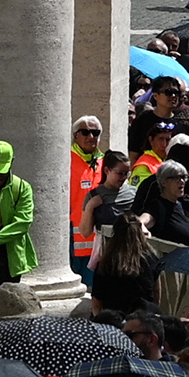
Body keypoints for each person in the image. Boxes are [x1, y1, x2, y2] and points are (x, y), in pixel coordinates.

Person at [0, 141, 39, 288]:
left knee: (6, 302)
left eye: (2, 169)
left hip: (8, 255)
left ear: (12, 162)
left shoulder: (22, 188)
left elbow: (23, 222)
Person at [92, 214, 160, 315]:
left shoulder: (105, 263)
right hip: (142, 320)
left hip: (113, 322)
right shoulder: (151, 259)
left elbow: (96, 304)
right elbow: (157, 293)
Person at [80, 150, 138, 260]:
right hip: (107, 255)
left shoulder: (134, 193)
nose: (124, 177)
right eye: (120, 173)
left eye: (127, 173)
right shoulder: (94, 196)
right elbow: (85, 232)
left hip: (132, 252)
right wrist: (90, 207)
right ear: (107, 170)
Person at [70, 115, 105, 286]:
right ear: (75, 135)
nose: (91, 137)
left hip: (97, 243)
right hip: (72, 241)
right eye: (85, 132)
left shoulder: (105, 162)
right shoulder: (66, 160)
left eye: (95, 133)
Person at [139, 161, 189, 245]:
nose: (182, 181)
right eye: (176, 178)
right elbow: (141, 221)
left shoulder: (180, 205)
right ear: (164, 182)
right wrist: (143, 228)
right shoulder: (156, 206)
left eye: (183, 177)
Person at [130, 120, 173, 188]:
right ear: (151, 140)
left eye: (167, 140)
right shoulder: (144, 165)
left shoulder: (170, 160)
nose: (164, 144)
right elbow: (137, 191)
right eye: (160, 139)